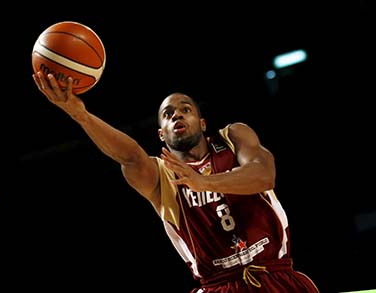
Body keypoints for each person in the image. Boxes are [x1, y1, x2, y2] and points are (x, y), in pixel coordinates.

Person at [32, 71, 319, 293]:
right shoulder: (161, 176)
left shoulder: (234, 137)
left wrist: (203, 182)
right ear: (161, 134)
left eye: (185, 109)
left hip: (276, 276)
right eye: (168, 114)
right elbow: (130, 155)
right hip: (218, 286)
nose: (177, 115)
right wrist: (79, 114)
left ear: (202, 123)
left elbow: (264, 175)